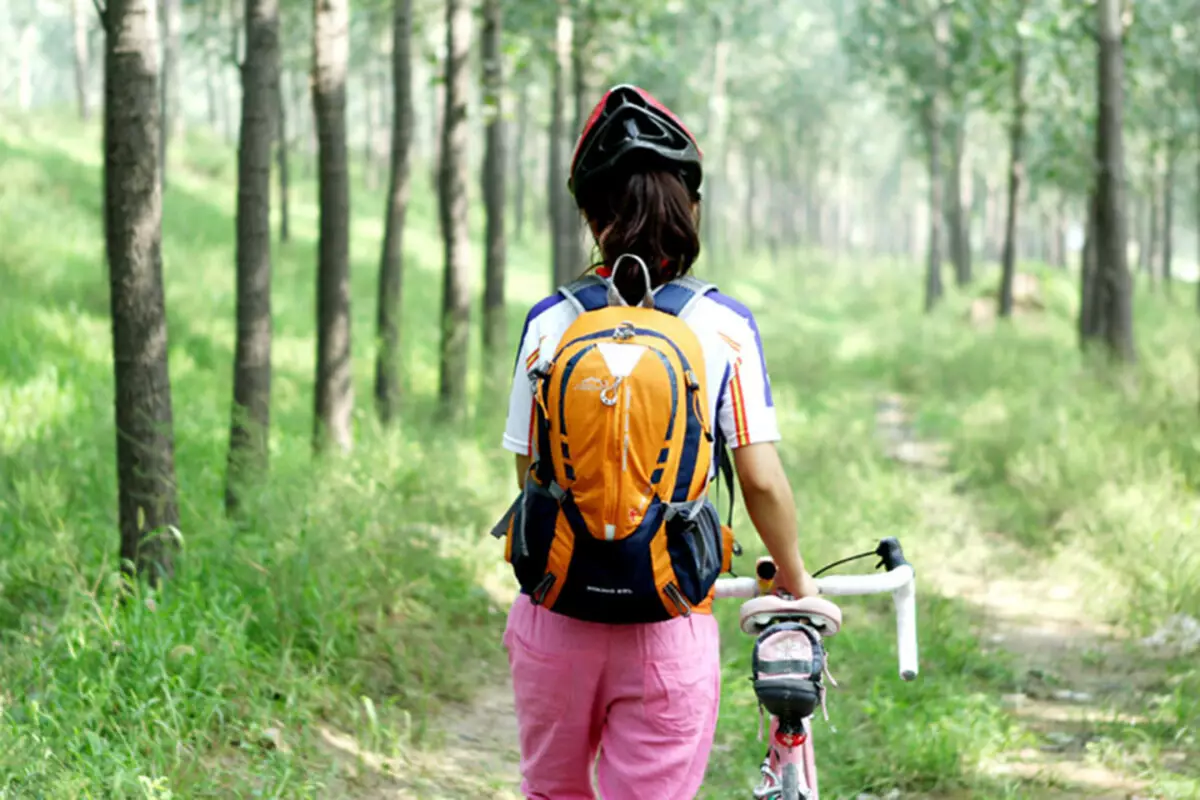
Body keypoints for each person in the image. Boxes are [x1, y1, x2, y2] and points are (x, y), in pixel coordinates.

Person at [500, 84, 819, 799]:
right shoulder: (724, 327)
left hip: (555, 617)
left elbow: (531, 480)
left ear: (590, 214)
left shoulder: (549, 322)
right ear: (690, 208)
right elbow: (760, 480)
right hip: (667, 623)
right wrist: (796, 579)